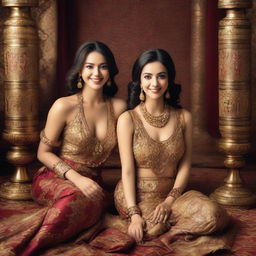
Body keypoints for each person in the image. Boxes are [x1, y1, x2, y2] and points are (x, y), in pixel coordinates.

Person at [114, 49, 232, 255]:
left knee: (215, 216)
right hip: (135, 193)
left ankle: (166, 231)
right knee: (147, 229)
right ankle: (123, 222)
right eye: (147, 76)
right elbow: (127, 170)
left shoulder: (183, 117)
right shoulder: (128, 119)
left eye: (161, 76)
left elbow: (185, 165)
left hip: (173, 195)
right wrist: (134, 214)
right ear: (139, 81)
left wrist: (169, 202)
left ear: (169, 80)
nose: (155, 83)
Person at [19, 41, 126, 255]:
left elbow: (127, 155)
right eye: (89, 66)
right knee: (75, 198)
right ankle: (27, 249)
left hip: (94, 183)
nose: (96, 72)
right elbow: (43, 152)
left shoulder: (119, 108)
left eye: (103, 66)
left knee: (93, 201)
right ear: (79, 70)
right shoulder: (64, 105)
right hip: (56, 177)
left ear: (110, 71)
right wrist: (77, 178)